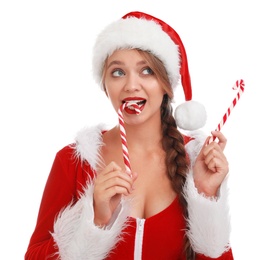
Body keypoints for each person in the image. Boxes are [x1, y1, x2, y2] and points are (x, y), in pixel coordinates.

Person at [25, 11, 234, 260]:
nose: (131, 85)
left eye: (146, 71)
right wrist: (94, 222)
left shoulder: (196, 162)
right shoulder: (72, 162)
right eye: (117, 72)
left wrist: (206, 197)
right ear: (105, 85)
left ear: (166, 83)